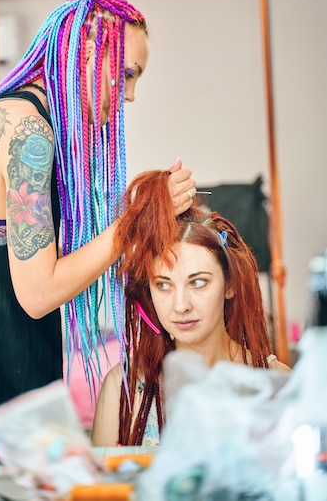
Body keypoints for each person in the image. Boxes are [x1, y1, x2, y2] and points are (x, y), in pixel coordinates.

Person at [0, 0, 196, 451]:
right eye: (127, 75)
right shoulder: (28, 132)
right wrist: (135, 223)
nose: (131, 96)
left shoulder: (26, 118)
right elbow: (37, 294)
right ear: (88, 54)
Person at [91, 170, 290, 448]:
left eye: (198, 282)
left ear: (229, 284)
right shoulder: (124, 389)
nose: (181, 305)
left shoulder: (274, 383)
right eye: (163, 285)